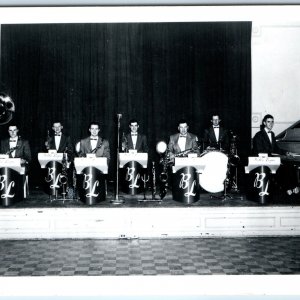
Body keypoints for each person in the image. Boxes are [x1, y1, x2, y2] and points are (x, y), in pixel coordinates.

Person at [252, 114, 299, 196]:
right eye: (268, 122)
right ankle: (287, 188)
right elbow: (259, 151)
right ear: (264, 123)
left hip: (272, 159)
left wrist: (286, 153)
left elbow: (276, 149)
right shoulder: (258, 135)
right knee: (283, 167)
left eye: (272, 122)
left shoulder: (272, 134)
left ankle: (294, 186)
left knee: (290, 165)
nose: (271, 124)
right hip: (263, 161)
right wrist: (274, 159)